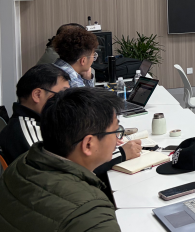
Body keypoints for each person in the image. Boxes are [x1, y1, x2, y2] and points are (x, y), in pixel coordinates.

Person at [0, 88, 195, 232]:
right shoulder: (82, 210)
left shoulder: (23, 165)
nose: (119, 140)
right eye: (116, 132)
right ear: (88, 144)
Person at [0, 64, 141, 182]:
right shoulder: (25, 130)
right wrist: (121, 154)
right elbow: (64, 171)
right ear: (37, 95)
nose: (67, 100)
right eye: (61, 93)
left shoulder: (41, 121)